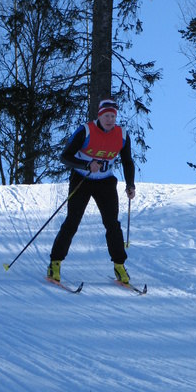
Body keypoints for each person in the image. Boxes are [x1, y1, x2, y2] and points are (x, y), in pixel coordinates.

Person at [48, 98, 136, 284]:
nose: (110, 120)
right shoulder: (85, 130)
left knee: (112, 224)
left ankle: (119, 265)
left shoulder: (122, 135)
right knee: (72, 221)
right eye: (106, 116)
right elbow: (65, 156)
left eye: (113, 116)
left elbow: (127, 161)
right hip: (82, 179)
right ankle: (55, 262)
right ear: (99, 116)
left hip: (105, 182)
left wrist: (130, 184)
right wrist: (86, 165)